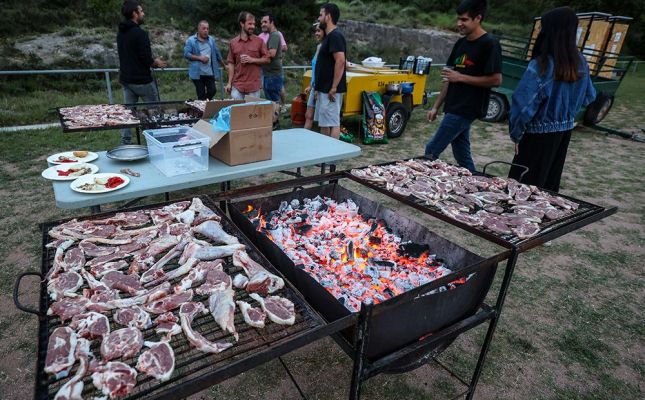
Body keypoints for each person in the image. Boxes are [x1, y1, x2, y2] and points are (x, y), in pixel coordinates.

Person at [508, 7, 596, 192]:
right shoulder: (581, 62)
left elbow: (523, 106)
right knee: (547, 187)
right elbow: (589, 97)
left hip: (536, 137)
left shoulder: (542, 65)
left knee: (521, 189)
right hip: (563, 134)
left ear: (549, 31)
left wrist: (516, 134)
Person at [424, 0, 502, 171]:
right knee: (461, 153)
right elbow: (449, 77)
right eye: (458, 19)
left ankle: (418, 188)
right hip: (453, 106)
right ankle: (475, 186)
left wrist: (461, 77)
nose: (459, 23)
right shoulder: (461, 43)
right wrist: (436, 106)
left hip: (468, 107)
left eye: (464, 20)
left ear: (478, 18)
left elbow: (496, 80)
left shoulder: (490, 44)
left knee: (431, 150)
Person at [117, 0, 167, 144]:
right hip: (143, 81)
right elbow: (145, 58)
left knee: (128, 113)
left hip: (127, 80)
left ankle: (125, 141)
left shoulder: (121, 33)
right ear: (134, 13)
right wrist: (155, 62)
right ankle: (156, 141)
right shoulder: (140, 33)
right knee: (154, 111)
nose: (143, 13)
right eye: (141, 11)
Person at [314, 3, 347, 139]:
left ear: (328, 16)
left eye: (321, 15)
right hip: (324, 89)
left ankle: (332, 159)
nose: (319, 18)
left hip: (330, 91)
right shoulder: (329, 36)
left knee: (332, 123)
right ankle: (326, 156)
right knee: (325, 124)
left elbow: (340, 61)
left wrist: (333, 87)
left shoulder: (335, 36)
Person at [225, 12, 270, 100]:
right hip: (237, 86)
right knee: (237, 112)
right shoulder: (233, 42)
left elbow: (267, 59)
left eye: (254, 24)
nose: (253, 26)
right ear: (242, 24)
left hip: (253, 87)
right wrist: (229, 83)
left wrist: (252, 60)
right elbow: (231, 63)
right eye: (250, 24)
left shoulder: (259, 41)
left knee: (252, 113)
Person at [183, 20, 226, 100]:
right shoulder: (191, 40)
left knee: (212, 90)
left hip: (209, 72)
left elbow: (217, 54)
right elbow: (186, 54)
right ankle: (202, 108)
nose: (206, 30)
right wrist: (200, 58)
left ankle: (199, 103)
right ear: (199, 29)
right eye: (204, 28)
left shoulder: (211, 40)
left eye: (207, 28)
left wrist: (224, 65)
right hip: (197, 73)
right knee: (201, 93)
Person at [304, 23, 326, 130]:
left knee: (323, 120)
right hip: (315, 86)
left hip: (321, 88)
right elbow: (315, 69)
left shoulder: (326, 48)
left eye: (319, 31)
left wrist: (317, 88)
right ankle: (304, 138)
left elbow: (323, 70)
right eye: (315, 31)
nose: (316, 33)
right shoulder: (319, 47)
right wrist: (311, 85)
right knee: (308, 115)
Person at [260, 13, 284, 103]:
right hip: (270, 75)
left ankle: (275, 117)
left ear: (272, 22)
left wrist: (254, 58)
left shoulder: (274, 35)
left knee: (273, 102)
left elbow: (272, 53)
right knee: (272, 101)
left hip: (272, 76)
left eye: (265, 22)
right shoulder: (272, 35)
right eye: (262, 22)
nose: (263, 24)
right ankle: (274, 116)